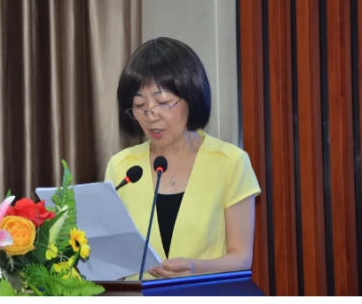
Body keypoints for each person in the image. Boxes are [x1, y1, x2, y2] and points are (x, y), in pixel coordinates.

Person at [105, 37, 261, 279]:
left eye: (163, 102)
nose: (150, 115)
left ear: (191, 96)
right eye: (139, 105)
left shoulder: (230, 162)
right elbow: (112, 255)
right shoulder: (122, 167)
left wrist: (195, 269)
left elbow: (241, 257)